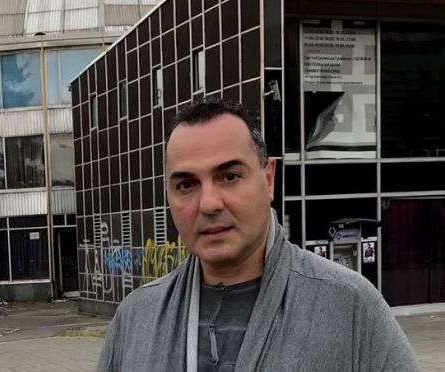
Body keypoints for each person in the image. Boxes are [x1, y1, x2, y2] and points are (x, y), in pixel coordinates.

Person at [96, 99, 417, 371]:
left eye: (229, 176)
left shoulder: (350, 307)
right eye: (186, 184)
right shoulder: (136, 318)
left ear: (269, 178)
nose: (208, 204)